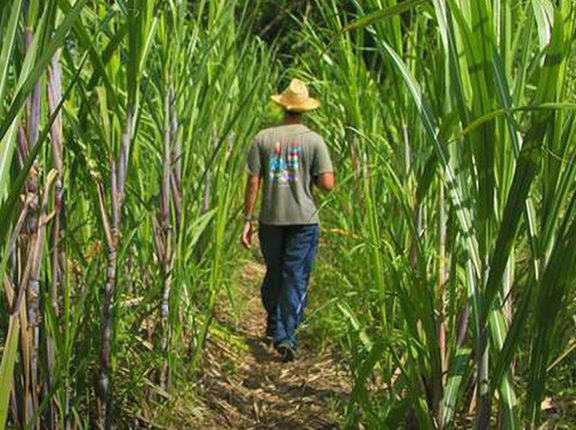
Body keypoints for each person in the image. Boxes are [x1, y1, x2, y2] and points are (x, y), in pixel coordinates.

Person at [241, 79, 334, 362]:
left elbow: (253, 181)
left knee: (274, 271)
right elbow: (327, 184)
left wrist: (247, 219)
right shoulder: (314, 141)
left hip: (271, 219)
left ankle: (273, 325)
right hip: (304, 220)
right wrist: (311, 176)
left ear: (282, 106)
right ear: (304, 109)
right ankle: (285, 336)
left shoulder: (263, 139)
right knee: (295, 276)